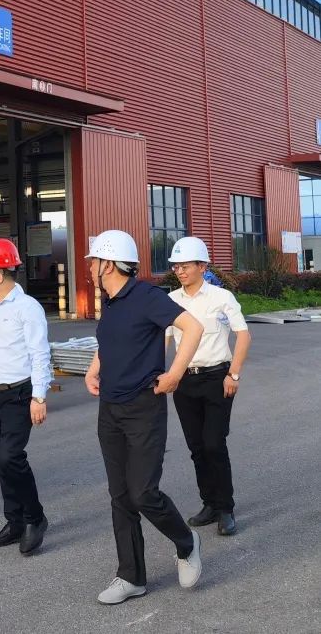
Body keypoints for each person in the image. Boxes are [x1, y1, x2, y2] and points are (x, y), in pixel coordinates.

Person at [84, 230, 205, 606]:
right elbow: (110, 340)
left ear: (107, 264)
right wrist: (94, 368)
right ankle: (131, 577)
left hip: (143, 408)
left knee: (143, 493)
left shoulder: (146, 296)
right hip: (110, 410)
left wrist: (175, 374)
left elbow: (193, 328)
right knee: (120, 496)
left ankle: (186, 542)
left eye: (93, 261)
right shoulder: (110, 301)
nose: (89, 267)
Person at [166, 236, 251, 537]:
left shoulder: (221, 297)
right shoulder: (171, 300)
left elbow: (243, 335)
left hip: (217, 379)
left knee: (214, 443)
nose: (179, 271)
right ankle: (210, 504)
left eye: (185, 265)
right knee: (197, 447)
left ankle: (226, 508)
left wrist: (234, 375)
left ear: (202, 266)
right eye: (176, 266)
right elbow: (164, 339)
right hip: (184, 381)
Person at [0, 237, 51, 556]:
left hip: (19, 395)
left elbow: (40, 353)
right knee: (1, 463)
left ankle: (35, 518)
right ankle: (14, 521)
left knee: (11, 458)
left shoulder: (27, 308)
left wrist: (39, 397)